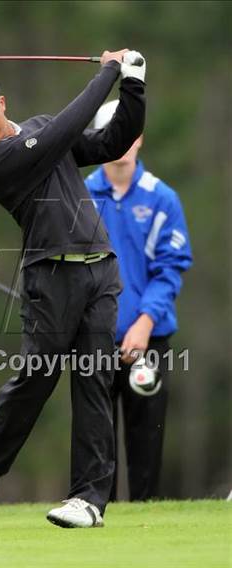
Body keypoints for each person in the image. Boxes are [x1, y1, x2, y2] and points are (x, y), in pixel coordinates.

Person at [0, 48, 146, 529]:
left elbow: (113, 142)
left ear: (2, 101)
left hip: (100, 269)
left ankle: (88, 500)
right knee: (36, 380)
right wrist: (109, 72)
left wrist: (134, 85)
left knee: (95, 382)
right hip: (49, 277)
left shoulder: (36, 127)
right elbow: (62, 132)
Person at [84, 100, 193, 501]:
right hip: (94, 341)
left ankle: (145, 524)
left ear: (140, 137)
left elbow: (170, 268)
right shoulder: (79, 196)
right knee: (96, 447)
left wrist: (144, 323)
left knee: (146, 444)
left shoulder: (162, 198)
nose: (123, 143)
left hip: (150, 340)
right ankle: (95, 516)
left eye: (129, 133)